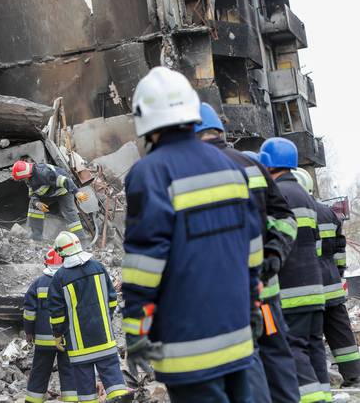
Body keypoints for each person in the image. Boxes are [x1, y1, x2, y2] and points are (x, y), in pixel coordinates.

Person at [122, 67, 263, 403]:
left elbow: (145, 263)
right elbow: (252, 248)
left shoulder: (149, 173)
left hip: (186, 347)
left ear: (145, 120)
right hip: (237, 334)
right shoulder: (229, 166)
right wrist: (254, 303)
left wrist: (136, 331)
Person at [195, 103, 300, 403]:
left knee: (243, 370)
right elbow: (285, 219)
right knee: (278, 363)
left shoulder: (191, 171)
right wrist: (273, 256)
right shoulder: (251, 165)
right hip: (266, 291)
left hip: (226, 298)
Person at [260, 138, 328, 403]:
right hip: (315, 288)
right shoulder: (306, 198)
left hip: (290, 290)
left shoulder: (275, 195)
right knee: (314, 347)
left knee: (293, 349)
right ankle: (323, 396)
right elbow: (317, 246)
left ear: (267, 163)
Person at [293, 168, 360, 387]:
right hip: (330, 284)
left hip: (303, 285)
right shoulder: (329, 213)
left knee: (308, 338)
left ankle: (315, 381)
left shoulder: (287, 210)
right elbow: (340, 252)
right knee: (341, 334)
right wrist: (337, 273)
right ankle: (354, 376)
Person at [47, 231, 129, 402]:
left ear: (61, 252)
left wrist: (57, 334)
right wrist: (106, 319)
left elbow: (57, 313)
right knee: (112, 374)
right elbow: (112, 299)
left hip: (79, 344)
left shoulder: (60, 278)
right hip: (104, 336)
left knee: (84, 383)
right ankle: (120, 397)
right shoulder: (98, 267)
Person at [23, 248, 77, 403]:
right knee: (68, 370)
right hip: (66, 339)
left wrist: (28, 332)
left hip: (43, 341)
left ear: (46, 263)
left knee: (40, 371)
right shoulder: (70, 281)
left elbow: (29, 312)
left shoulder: (38, 283)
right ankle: (72, 400)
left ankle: (32, 400)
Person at [11, 160, 89, 242]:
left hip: (63, 191)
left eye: (21, 179)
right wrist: (37, 203)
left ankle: (81, 240)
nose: (22, 181)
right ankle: (36, 238)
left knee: (69, 213)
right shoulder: (29, 179)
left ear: (26, 175)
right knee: (33, 207)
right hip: (49, 194)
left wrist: (77, 192)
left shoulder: (44, 173)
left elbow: (65, 181)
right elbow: (32, 194)